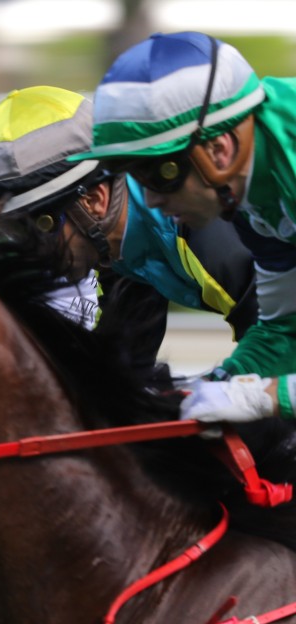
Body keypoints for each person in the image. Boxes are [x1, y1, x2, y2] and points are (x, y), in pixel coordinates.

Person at [68, 31, 296, 422]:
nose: (150, 201)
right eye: (133, 177)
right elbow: (284, 331)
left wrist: (270, 396)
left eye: (158, 175)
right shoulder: (245, 190)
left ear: (218, 150)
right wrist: (218, 382)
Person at [0, 85, 257, 352]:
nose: (32, 255)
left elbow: (280, 342)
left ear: (94, 200)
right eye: (13, 234)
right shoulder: (113, 242)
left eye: (40, 229)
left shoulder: (194, 222)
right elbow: (125, 364)